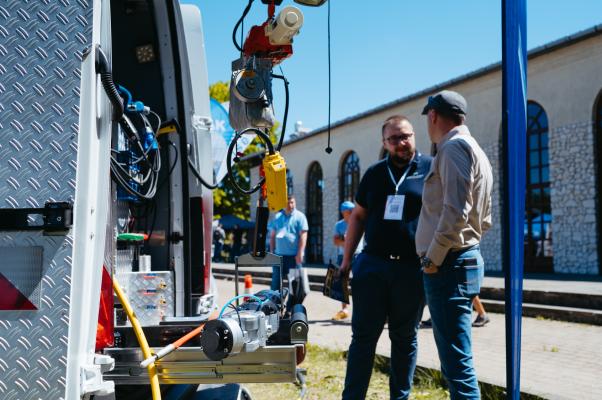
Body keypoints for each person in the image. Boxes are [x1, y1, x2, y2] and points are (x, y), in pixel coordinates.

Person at [339, 115, 432, 399]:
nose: (402, 143)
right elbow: (358, 216)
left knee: (404, 339)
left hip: (411, 270)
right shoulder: (374, 173)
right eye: (394, 139)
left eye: (406, 136)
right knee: (363, 339)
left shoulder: (431, 169)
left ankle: (400, 397)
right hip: (373, 266)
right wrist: (346, 261)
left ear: (414, 135)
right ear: (385, 143)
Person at [416, 90, 493, 399]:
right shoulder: (475, 148)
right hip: (460, 259)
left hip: (448, 264)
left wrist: (433, 259)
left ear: (433, 116)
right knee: (456, 362)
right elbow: (483, 217)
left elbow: (455, 211)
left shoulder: (452, 148)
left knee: (457, 367)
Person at [331, 201, 362, 321]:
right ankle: (344, 310)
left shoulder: (359, 222)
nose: (352, 213)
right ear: (344, 212)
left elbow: (344, 240)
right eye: (349, 211)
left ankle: (360, 309)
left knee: (359, 283)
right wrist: (349, 239)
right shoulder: (339, 225)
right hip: (342, 256)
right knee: (341, 283)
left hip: (357, 255)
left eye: (352, 210)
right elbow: (335, 241)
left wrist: (344, 239)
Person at [269, 195, 308, 292]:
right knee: (275, 285)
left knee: (295, 287)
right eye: (288, 203)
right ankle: (276, 306)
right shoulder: (278, 217)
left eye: (292, 202)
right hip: (278, 256)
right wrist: (272, 251)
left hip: (293, 257)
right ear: (283, 204)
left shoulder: (300, 217)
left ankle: (293, 307)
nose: (290, 205)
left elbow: (303, 236)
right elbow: (272, 236)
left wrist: (300, 253)